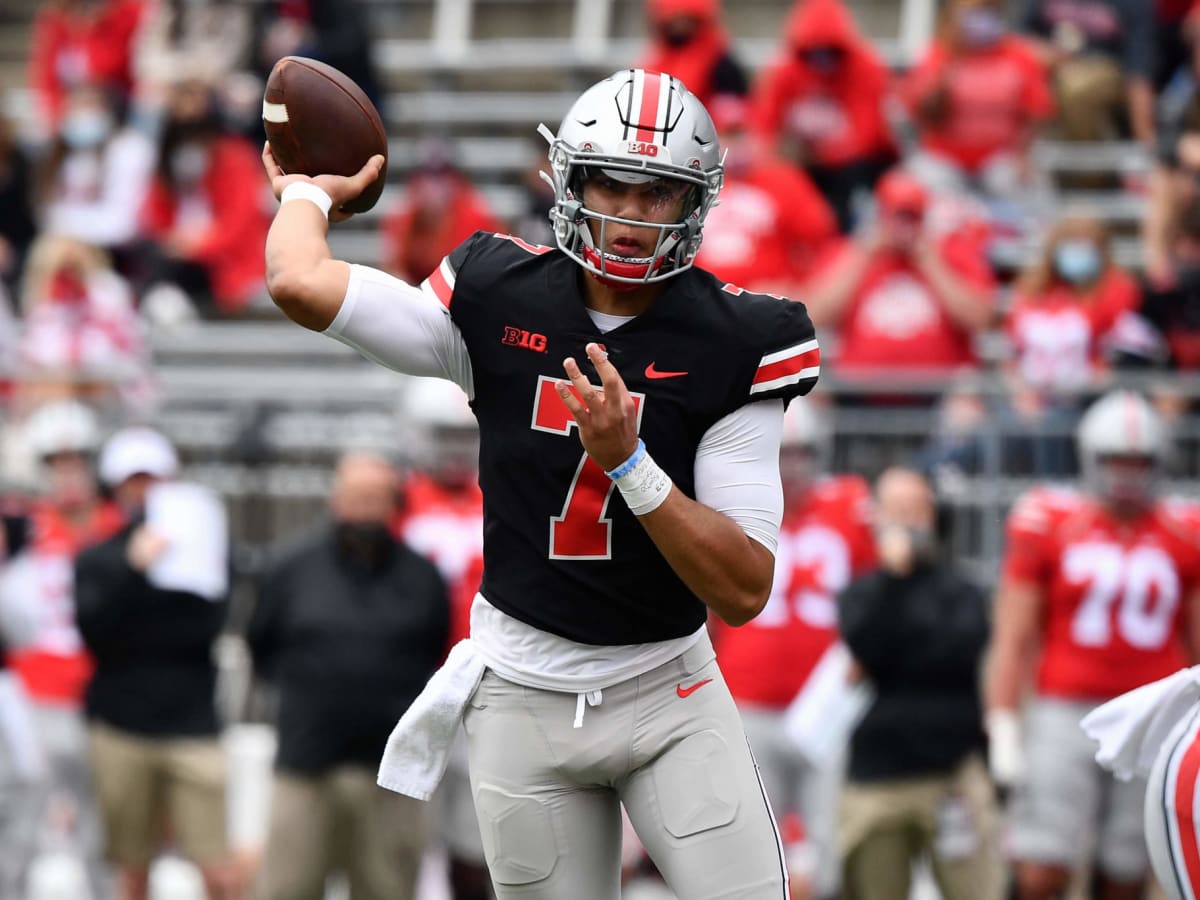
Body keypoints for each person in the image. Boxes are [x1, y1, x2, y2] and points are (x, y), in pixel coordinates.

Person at [262, 68, 819, 899]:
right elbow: (298, 283)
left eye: (658, 194)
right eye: (612, 186)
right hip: (522, 692)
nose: (630, 217)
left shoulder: (739, 338)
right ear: (570, 178)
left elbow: (743, 587)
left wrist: (630, 465)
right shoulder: (493, 292)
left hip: (668, 686)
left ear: (696, 201)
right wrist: (307, 194)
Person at [985, 390, 1200, 900]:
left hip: (1152, 714)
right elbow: (1013, 634)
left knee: (1126, 870)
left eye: (1138, 463)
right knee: (1041, 866)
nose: (1126, 476)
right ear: (1089, 459)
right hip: (1066, 711)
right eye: (1115, 462)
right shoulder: (1051, 521)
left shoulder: (1183, 530)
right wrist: (1003, 722)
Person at [249, 452, 448, 900]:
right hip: (306, 764)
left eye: (376, 498)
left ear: (395, 504)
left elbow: (435, 652)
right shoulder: (290, 568)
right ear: (335, 501)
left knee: (387, 888)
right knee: (286, 888)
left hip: (391, 773)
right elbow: (259, 646)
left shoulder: (423, 577)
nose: (364, 510)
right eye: (356, 497)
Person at [710, 398, 876, 900]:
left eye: (803, 453)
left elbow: (874, 601)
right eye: (783, 453)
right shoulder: (731, 505)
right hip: (750, 698)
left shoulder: (851, 508)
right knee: (748, 846)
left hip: (827, 705)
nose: (793, 466)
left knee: (830, 846)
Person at [74, 427, 237, 900]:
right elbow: (96, 635)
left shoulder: (203, 551)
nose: (144, 493)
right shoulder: (99, 558)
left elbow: (204, 628)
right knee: (131, 869)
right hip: (123, 726)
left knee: (216, 865)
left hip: (192, 724)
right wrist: (133, 570)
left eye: (152, 481)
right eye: (134, 482)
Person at [837, 467, 1001, 900]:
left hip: (951, 775)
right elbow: (868, 644)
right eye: (895, 510)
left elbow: (958, 649)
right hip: (878, 777)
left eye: (916, 510)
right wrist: (895, 580)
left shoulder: (963, 591)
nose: (906, 523)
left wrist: (898, 647)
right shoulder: (862, 593)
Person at [0, 400, 123, 898]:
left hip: (105, 690)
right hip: (36, 690)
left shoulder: (121, 524)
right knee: (23, 815)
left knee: (103, 821)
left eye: (77, 460)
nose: (68, 473)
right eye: (57, 462)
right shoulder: (23, 526)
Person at [394, 379, 491, 899]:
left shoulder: (500, 493)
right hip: (413, 682)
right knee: (403, 838)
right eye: (443, 434)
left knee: (476, 843)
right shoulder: (392, 503)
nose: (456, 448)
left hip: (482, 685)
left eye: (464, 435)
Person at [801, 168, 994, 384]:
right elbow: (814, 316)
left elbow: (980, 320)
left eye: (911, 217)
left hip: (939, 392)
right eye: (897, 216)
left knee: (966, 410)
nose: (903, 227)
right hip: (858, 395)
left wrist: (930, 263)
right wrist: (863, 257)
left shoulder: (952, 252)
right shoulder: (851, 253)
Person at [1004, 214, 1140, 474]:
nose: (1078, 251)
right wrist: (1024, 395)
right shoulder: (1031, 290)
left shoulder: (1116, 290)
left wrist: (1081, 387)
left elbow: (1121, 355)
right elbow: (1012, 355)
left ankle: (1054, 496)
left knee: (1054, 424)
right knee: (993, 424)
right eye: (1071, 242)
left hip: (1085, 401)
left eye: (1086, 243)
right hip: (1030, 401)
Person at [751, 0, 895, 232]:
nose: (822, 59)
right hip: (802, 163)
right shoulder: (785, 72)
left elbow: (868, 134)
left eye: (830, 51)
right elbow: (763, 128)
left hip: (852, 168)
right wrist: (782, 155)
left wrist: (821, 153)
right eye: (814, 51)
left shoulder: (866, 68)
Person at [902, 0, 1055, 204]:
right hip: (945, 159)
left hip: (1001, 158)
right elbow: (919, 112)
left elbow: (1038, 111)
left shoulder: (1017, 55)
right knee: (918, 184)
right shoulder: (939, 53)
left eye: (987, 12)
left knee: (1024, 185)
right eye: (973, 14)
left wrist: (1023, 154)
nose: (980, 20)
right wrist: (944, 75)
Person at [139, 80, 270, 317]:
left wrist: (198, 245)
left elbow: (241, 221)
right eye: (182, 130)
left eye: (196, 129)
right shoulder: (165, 164)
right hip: (178, 257)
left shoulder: (236, 158)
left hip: (224, 260)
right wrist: (174, 241)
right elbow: (155, 217)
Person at [696, 96, 837, 296]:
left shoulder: (784, 180)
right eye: (727, 135)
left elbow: (822, 240)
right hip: (704, 297)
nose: (736, 144)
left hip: (766, 299)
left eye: (741, 134)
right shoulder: (693, 184)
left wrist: (801, 286)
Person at [1019, 0, 1156, 145]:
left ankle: (1086, 165)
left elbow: (1139, 74)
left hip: (1105, 70)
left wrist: (1145, 139)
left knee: (1074, 85)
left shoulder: (1133, 4)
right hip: (1048, 69)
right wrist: (1045, 52)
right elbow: (1019, 41)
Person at [381, 143, 503, 285]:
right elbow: (393, 272)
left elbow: (491, 271)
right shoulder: (401, 216)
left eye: (443, 175)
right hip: (417, 297)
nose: (435, 185)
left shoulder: (478, 216)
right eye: (427, 175)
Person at [28, 0, 149, 135]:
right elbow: (46, 77)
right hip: (70, 114)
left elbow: (137, 72)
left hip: (119, 109)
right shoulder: (54, 22)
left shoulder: (130, 14)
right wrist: (54, 115)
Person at [636, 0, 747, 109]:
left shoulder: (721, 65)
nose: (679, 26)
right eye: (674, 18)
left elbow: (731, 118)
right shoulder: (655, 60)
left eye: (685, 18)